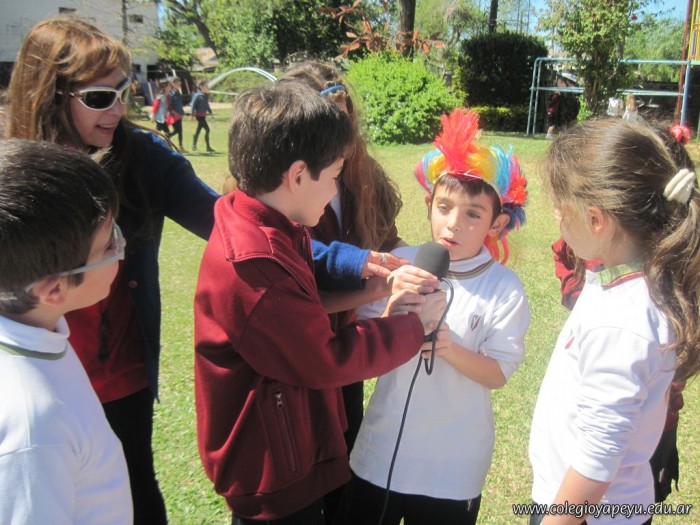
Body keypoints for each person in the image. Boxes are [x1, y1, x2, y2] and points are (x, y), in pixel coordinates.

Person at [194, 80, 447, 524]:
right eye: (333, 176)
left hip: (284, 448)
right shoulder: (255, 270)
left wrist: (365, 264)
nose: (334, 191)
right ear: (297, 176)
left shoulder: (254, 217)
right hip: (274, 473)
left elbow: (304, 252)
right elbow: (326, 359)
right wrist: (411, 326)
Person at [5, 16, 220, 525]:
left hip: (119, 369)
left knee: (133, 489)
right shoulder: (12, 169)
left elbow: (227, 224)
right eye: (101, 97)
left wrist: (342, 260)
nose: (120, 109)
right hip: (34, 365)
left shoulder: (141, 155)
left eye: (124, 92)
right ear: (49, 95)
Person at [335, 108, 530, 525]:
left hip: (452, 470)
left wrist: (448, 347)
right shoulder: (398, 264)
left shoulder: (505, 287)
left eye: (473, 214)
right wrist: (391, 312)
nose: (453, 224)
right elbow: (360, 345)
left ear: (497, 223)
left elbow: (498, 372)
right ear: (428, 205)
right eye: (444, 207)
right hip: (379, 454)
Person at [529, 118, 700, 524]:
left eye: (560, 206)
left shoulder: (622, 322)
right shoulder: (622, 283)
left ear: (596, 221)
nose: (556, 214)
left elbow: (597, 456)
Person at [279, 61, 406, 522]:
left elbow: (387, 239)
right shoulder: (277, 186)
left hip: (347, 347)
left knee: (344, 460)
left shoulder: (362, 177)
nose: (341, 140)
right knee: (298, 475)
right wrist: (368, 280)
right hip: (294, 354)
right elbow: (296, 259)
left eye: (344, 122)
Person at [0, 139, 131, 524]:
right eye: (108, 245)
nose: (121, 246)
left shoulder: (36, 329)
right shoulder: (33, 428)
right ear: (54, 290)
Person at [190, 79, 214, 152]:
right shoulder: (197, 95)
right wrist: (192, 115)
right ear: (201, 87)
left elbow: (207, 105)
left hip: (203, 115)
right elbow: (193, 105)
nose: (207, 87)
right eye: (205, 86)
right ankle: (208, 147)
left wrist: (210, 112)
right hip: (199, 116)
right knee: (207, 129)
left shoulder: (205, 96)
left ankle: (194, 145)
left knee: (198, 130)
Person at [167, 76, 186, 151]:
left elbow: (180, 104)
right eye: (177, 82)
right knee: (177, 130)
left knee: (180, 131)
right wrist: (174, 112)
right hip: (173, 115)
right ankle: (167, 137)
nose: (179, 83)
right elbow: (169, 104)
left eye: (179, 82)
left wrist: (182, 113)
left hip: (179, 114)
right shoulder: (171, 93)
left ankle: (181, 146)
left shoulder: (178, 93)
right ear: (173, 83)